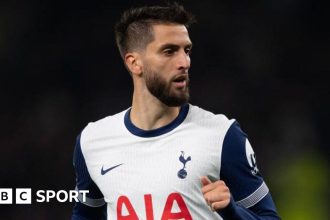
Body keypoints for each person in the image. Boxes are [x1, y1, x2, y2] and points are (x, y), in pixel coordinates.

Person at [72, 3, 280, 220]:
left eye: (187, 50)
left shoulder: (221, 136)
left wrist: (232, 212)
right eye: (169, 51)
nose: (184, 62)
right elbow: (85, 215)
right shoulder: (92, 141)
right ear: (134, 63)